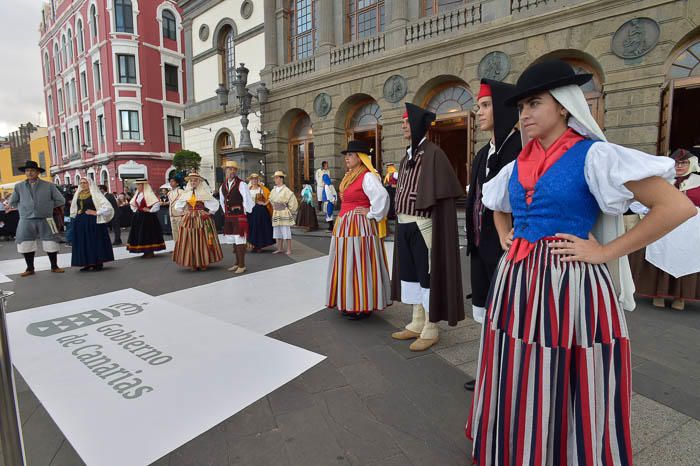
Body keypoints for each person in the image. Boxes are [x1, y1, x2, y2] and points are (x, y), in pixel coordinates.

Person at [466, 59, 696, 465]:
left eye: (534, 104)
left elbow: (675, 206)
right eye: (520, 107)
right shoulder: (519, 163)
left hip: (568, 284)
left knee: (564, 365)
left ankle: (563, 451)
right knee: (517, 361)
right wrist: (505, 232)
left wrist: (606, 252)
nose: (525, 115)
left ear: (562, 105)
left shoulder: (594, 156)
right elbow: (494, 202)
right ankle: (521, 447)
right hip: (517, 280)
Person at [390, 103, 465, 352]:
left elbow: (443, 194)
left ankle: (431, 327)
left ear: (417, 125)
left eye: (405, 121)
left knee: (426, 276)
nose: (402, 126)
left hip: (423, 225)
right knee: (410, 275)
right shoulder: (406, 157)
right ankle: (417, 321)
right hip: (403, 223)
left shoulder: (434, 154)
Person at [629, 148, 700, 311]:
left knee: (686, 259)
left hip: (691, 232)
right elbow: (641, 200)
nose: (680, 166)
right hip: (664, 228)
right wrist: (647, 210)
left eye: (684, 163)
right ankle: (658, 293)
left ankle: (680, 297)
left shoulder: (698, 181)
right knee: (660, 256)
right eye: (677, 162)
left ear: (692, 163)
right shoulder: (663, 181)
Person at [327, 140, 391, 319]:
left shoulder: (367, 176)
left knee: (359, 263)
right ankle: (350, 301)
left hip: (359, 227)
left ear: (360, 157)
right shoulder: (350, 175)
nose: (346, 158)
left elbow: (382, 197)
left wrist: (371, 212)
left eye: (350, 155)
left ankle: (363, 304)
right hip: (345, 226)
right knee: (347, 263)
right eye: (346, 155)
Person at [6, 160, 66, 276]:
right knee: (25, 242)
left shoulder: (49, 185)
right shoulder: (19, 186)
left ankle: (55, 266)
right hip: (26, 219)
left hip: (46, 218)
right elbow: (12, 202)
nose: (29, 173)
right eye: (27, 171)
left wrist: (47, 207)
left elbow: (61, 200)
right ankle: (30, 268)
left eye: (32, 170)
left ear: (38, 172)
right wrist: (22, 207)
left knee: (52, 241)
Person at [173, 172, 222, 271]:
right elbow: (178, 205)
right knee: (190, 240)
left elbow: (215, 203)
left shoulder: (204, 192)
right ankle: (193, 263)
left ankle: (203, 262)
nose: (193, 182)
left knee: (203, 239)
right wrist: (184, 212)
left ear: (199, 181)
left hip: (202, 218)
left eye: (195, 180)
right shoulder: (186, 193)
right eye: (191, 180)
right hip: (189, 218)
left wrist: (210, 213)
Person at [70, 178, 115, 271]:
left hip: (92, 221)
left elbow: (108, 207)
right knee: (83, 242)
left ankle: (97, 262)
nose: (83, 185)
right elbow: (74, 208)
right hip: (80, 221)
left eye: (85, 183)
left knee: (94, 241)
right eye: (81, 183)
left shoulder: (95, 194)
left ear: (89, 183)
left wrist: (96, 212)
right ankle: (86, 263)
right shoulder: (78, 194)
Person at [220, 160, 254, 273]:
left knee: (240, 240)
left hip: (239, 216)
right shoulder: (222, 186)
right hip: (229, 217)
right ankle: (236, 263)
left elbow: (247, 199)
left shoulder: (242, 184)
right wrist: (226, 212)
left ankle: (242, 265)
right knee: (234, 241)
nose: (232, 171)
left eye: (234, 169)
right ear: (225, 171)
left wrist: (245, 211)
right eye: (229, 169)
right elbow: (222, 201)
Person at [126, 179, 166, 257]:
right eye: (137, 185)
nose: (137, 186)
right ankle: (144, 250)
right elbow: (132, 203)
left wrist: (150, 210)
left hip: (148, 218)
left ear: (143, 185)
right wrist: (136, 209)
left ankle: (150, 251)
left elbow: (156, 204)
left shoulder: (149, 194)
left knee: (148, 233)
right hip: (139, 217)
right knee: (140, 233)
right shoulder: (137, 194)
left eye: (139, 185)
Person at [269, 171, 298, 255]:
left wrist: (290, 210)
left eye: (276, 178)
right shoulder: (274, 190)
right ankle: (280, 248)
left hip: (283, 212)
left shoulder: (286, 190)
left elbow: (293, 201)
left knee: (286, 230)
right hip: (276, 212)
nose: (275, 179)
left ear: (281, 178)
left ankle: (289, 249)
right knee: (277, 230)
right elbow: (270, 199)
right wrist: (274, 206)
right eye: (275, 178)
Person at [247, 173, 275, 252]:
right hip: (250, 211)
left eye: (255, 179)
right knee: (251, 228)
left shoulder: (262, 189)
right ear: (250, 180)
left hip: (260, 211)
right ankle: (252, 245)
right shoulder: (248, 189)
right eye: (252, 179)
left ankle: (259, 246)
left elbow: (270, 196)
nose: (254, 180)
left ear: (258, 180)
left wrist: (265, 203)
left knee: (259, 228)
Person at [167, 176, 185, 244]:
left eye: (173, 181)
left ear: (177, 183)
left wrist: (184, 213)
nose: (171, 183)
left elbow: (185, 203)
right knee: (174, 233)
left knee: (181, 232)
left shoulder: (181, 192)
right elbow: (171, 203)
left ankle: (183, 248)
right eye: (170, 181)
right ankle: (177, 247)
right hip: (172, 215)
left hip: (179, 215)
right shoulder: (169, 193)